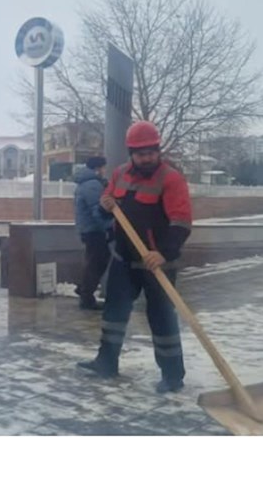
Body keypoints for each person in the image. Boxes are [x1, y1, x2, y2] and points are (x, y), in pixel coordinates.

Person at [77, 121, 193, 394]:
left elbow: (181, 222)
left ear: (158, 150)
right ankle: (106, 362)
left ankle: (172, 375)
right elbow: (108, 206)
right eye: (141, 154)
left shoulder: (170, 178)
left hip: (157, 263)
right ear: (131, 153)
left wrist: (162, 253)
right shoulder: (119, 174)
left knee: (162, 318)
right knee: (114, 313)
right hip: (124, 259)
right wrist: (106, 206)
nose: (146, 158)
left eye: (151, 152)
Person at [73, 156, 113, 311]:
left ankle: (84, 288)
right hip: (95, 229)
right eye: (103, 168)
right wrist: (110, 226)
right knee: (97, 262)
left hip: (88, 228)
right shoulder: (92, 185)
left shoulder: (86, 183)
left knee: (94, 261)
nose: (105, 171)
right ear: (98, 168)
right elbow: (97, 209)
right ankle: (86, 295)